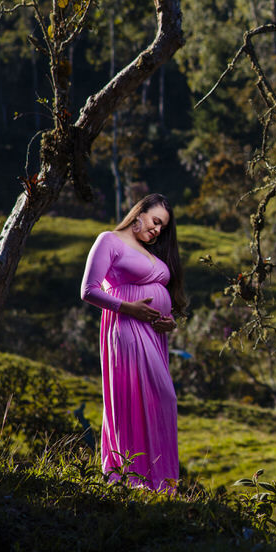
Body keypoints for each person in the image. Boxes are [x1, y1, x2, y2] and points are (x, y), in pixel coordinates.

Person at [80, 193, 187, 492]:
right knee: (141, 399)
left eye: (162, 228)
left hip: (152, 334)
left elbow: (158, 296)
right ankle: (130, 477)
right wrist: (131, 309)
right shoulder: (109, 241)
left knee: (160, 402)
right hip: (125, 327)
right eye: (155, 221)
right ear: (139, 213)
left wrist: (168, 321)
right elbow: (88, 291)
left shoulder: (149, 252)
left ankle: (161, 485)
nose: (156, 230)